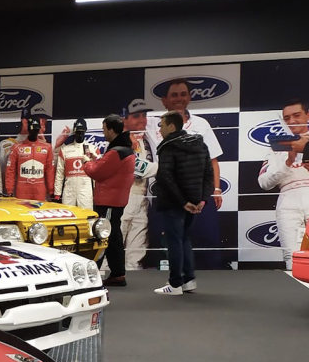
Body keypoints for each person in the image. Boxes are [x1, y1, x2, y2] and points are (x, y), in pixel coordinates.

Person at [259, 100, 309, 269]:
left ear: (308, 115)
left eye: (296, 115)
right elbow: (264, 183)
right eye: (287, 118)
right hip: (287, 202)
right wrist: (288, 162)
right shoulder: (276, 148)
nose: (292, 121)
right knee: (292, 256)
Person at [152, 112, 213, 295]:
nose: (160, 129)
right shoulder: (201, 145)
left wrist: (182, 202)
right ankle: (188, 280)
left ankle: (175, 284)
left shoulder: (168, 147)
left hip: (174, 203)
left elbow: (165, 177)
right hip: (194, 201)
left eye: (162, 125)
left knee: (174, 241)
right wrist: (202, 199)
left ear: (172, 127)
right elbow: (208, 174)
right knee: (184, 238)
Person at [149, 79, 224, 209]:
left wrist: (216, 189)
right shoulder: (151, 123)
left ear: (189, 97)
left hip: (195, 192)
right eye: (174, 95)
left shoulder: (201, 123)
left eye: (183, 94)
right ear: (164, 100)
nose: (179, 98)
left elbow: (212, 161)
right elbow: (128, 123)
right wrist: (131, 135)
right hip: (168, 193)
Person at [82, 115, 136, 286]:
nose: (103, 132)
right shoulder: (123, 149)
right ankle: (117, 273)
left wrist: (86, 163)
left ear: (112, 130)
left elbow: (97, 172)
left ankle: (97, 274)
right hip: (114, 199)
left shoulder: (116, 152)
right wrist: (96, 161)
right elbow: (106, 169)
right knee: (112, 236)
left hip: (109, 201)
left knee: (105, 236)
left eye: (104, 129)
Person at [120, 99, 158, 271]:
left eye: (144, 115)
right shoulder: (120, 141)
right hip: (123, 196)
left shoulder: (144, 139)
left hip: (141, 196)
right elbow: (136, 169)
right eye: (136, 116)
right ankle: (105, 277)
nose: (142, 120)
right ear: (124, 119)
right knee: (115, 240)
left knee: (137, 247)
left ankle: (133, 280)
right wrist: (167, 168)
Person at [4, 117, 55, 201]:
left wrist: (51, 190)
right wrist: (9, 190)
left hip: (39, 190)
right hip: (22, 190)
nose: (34, 132)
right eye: (32, 129)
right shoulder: (17, 147)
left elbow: (50, 171)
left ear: (39, 130)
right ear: (28, 129)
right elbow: (10, 170)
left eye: (36, 130)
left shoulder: (47, 147)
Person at [53, 119, 97, 209]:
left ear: (85, 131)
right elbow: (60, 173)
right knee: (68, 215)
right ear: (74, 132)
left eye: (81, 132)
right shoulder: (65, 150)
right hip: (69, 191)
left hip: (86, 191)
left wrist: (97, 192)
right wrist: (57, 193)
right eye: (77, 132)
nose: (79, 134)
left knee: (87, 216)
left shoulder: (93, 149)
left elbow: (96, 174)